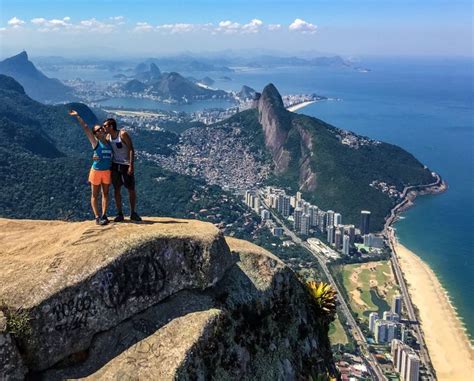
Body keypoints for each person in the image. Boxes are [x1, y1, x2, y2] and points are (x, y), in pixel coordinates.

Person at [69, 110, 113, 225]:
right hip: (96, 171)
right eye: (98, 130)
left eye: (101, 128)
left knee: (106, 194)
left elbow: (114, 132)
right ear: (96, 134)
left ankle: (104, 215)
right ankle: (97, 217)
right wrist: (78, 116)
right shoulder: (95, 143)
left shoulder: (109, 142)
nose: (101, 130)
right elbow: (86, 128)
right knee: (95, 194)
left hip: (106, 171)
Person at [103, 118, 142, 222]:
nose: (104, 127)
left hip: (125, 164)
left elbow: (131, 149)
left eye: (105, 126)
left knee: (131, 189)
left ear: (111, 126)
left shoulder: (122, 134)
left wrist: (131, 165)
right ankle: (120, 213)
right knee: (116, 189)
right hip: (115, 165)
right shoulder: (108, 137)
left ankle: (133, 213)